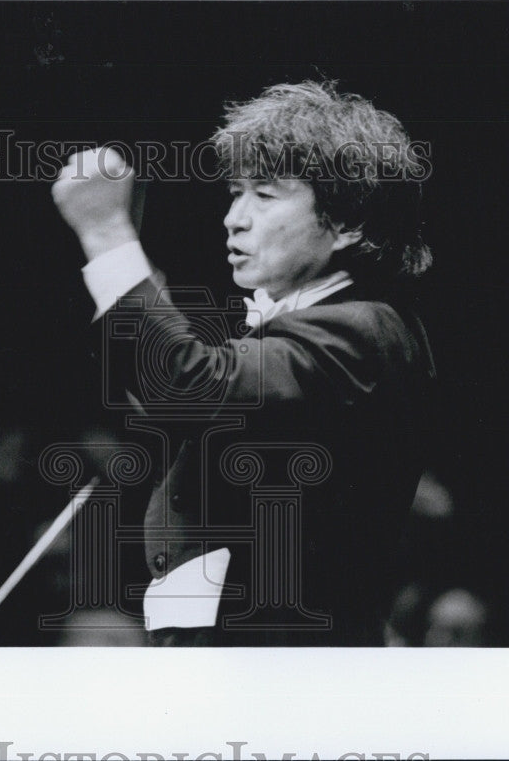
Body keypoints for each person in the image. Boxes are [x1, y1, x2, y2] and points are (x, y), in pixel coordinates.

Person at [52, 80, 436, 645]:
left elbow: (188, 387)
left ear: (348, 221)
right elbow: (174, 397)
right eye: (235, 192)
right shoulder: (318, 331)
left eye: (265, 194)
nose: (233, 219)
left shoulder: (363, 331)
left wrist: (108, 236)